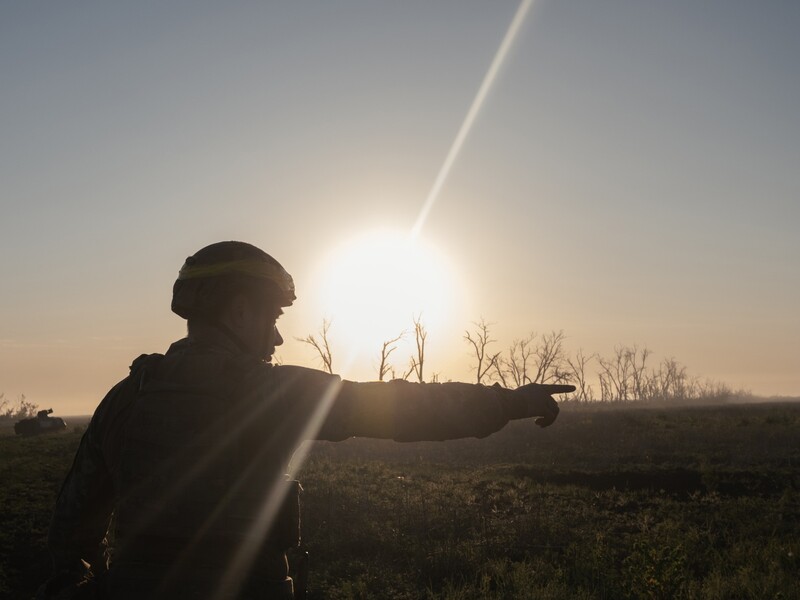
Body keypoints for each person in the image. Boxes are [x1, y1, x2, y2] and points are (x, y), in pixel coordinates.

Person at [40, 241, 573, 600]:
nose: (276, 338)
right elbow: (405, 407)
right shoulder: (271, 392)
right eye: (272, 319)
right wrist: (510, 401)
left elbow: (74, 521)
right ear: (241, 311)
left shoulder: (126, 395)